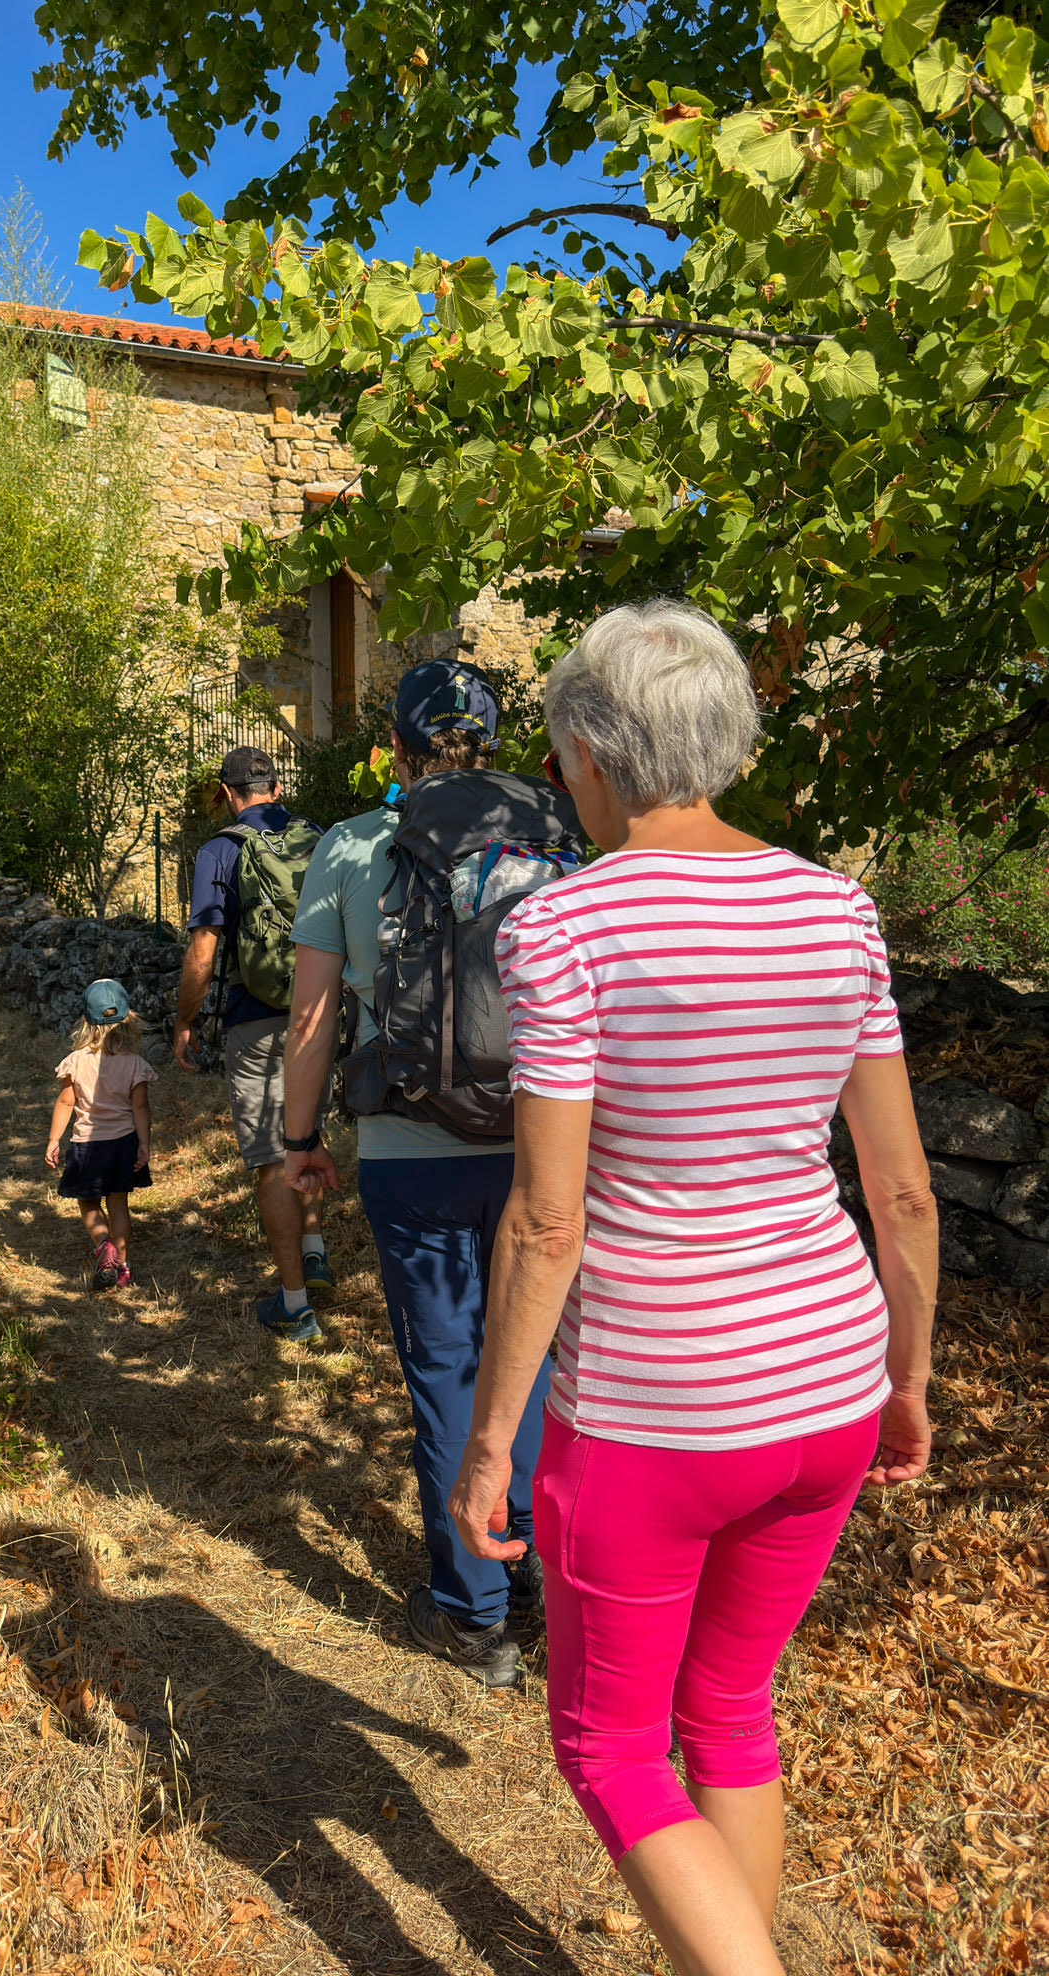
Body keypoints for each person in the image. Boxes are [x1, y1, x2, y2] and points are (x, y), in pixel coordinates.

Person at [446, 599, 937, 1976]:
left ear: (594, 754)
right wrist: (905, 1383)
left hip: (657, 1405)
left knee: (606, 1745)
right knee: (727, 1710)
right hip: (828, 1380)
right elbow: (899, 1191)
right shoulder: (836, 910)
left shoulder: (569, 927)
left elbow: (546, 1222)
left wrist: (491, 1441)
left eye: (561, 756)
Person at [281, 659, 559, 1690]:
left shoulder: (352, 845)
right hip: (543, 1149)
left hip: (409, 1152)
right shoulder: (558, 834)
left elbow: (312, 1020)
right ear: (493, 742)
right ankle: (533, 1569)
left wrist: (300, 1136)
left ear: (394, 748)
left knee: (444, 1369)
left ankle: (473, 1611)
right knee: (530, 1359)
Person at [174, 745, 331, 1339]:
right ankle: (314, 1249)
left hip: (256, 1016)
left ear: (228, 792)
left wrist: (185, 1019)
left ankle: (295, 1305)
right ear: (275, 784)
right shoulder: (315, 838)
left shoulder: (220, 849)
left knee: (271, 1160)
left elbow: (204, 950)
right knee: (306, 1135)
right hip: (317, 1014)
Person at [46, 979, 157, 1289]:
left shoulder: (75, 1062)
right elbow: (141, 1108)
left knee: (90, 1205)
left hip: (87, 1146)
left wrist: (54, 1139)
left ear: (84, 1020)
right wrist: (144, 1143)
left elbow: (66, 1102)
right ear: (127, 1019)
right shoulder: (135, 1065)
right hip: (123, 1144)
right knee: (118, 1204)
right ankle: (122, 1267)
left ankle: (103, 1244)